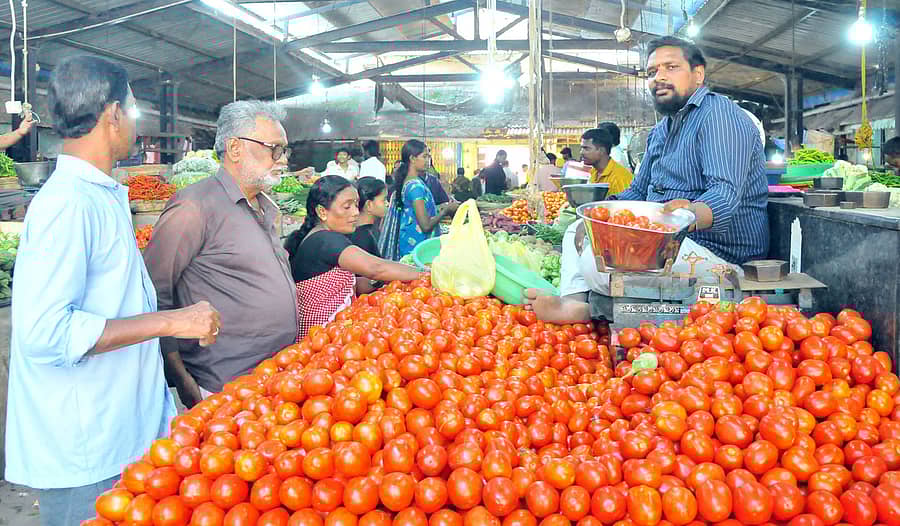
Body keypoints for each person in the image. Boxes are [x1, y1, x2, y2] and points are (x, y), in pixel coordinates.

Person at [5, 55, 220, 526]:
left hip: (117, 433)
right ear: (113, 115)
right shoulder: (68, 205)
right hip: (86, 449)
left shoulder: (98, 195)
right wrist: (172, 321)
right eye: (134, 110)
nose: (134, 122)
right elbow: (44, 333)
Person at [526, 36, 769, 323]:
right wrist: (598, 217)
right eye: (652, 72)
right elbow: (638, 191)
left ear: (698, 74)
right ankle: (574, 302)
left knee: (598, 263)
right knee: (577, 230)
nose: (659, 78)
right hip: (665, 239)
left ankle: (592, 306)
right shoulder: (661, 131)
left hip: (718, 254)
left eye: (671, 67)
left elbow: (725, 195)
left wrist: (686, 216)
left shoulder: (720, 116)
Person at [144, 100, 299, 405]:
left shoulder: (263, 205)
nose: (283, 160)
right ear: (235, 149)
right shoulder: (194, 207)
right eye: (275, 149)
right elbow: (153, 291)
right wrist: (180, 375)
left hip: (276, 377)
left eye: (284, 151)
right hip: (225, 386)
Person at [285, 176, 425, 339]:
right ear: (322, 211)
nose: (355, 213)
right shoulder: (325, 239)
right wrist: (426, 274)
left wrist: (384, 283)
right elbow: (376, 268)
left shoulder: (318, 237)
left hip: (329, 334)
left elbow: (344, 284)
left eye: (356, 205)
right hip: (321, 338)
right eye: (347, 207)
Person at [378, 139, 459, 260]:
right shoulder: (415, 187)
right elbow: (425, 226)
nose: (428, 161)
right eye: (425, 156)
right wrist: (445, 210)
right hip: (418, 248)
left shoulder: (410, 181)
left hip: (409, 242)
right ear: (412, 159)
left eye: (429, 157)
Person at [582, 128, 634, 195]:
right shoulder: (594, 172)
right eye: (582, 148)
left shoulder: (619, 178)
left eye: (586, 148)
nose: (582, 152)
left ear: (601, 151)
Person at [350, 176, 387, 256]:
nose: (387, 204)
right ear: (369, 205)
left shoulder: (357, 231)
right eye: (384, 200)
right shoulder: (364, 238)